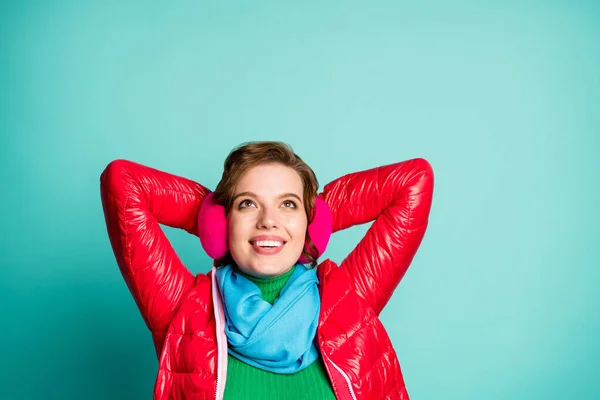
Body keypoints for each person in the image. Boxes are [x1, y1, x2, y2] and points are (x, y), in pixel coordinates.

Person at [100, 141, 434, 400]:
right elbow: (123, 182)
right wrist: (209, 218)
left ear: (311, 221)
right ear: (222, 221)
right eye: (247, 203)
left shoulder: (347, 300)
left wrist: (321, 217)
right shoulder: (184, 310)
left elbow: (413, 181)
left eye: (288, 204)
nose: (268, 220)